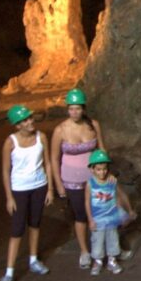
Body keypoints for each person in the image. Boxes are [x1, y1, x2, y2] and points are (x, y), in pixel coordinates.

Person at [0, 104, 53, 281]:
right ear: (17, 125)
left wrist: (50, 189)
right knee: (17, 229)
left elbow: (48, 163)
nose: (30, 122)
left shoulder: (41, 137)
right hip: (19, 188)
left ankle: (33, 259)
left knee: (35, 223)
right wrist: (9, 197)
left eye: (30, 118)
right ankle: (9, 273)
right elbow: (5, 171)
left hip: (38, 185)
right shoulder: (10, 142)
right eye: (25, 120)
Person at [50, 88, 105, 270]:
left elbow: (102, 150)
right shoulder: (61, 130)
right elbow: (54, 158)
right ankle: (84, 251)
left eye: (78, 108)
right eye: (71, 109)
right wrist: (58, 184)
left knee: (99, 212)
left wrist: (105, 172)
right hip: (72, 181)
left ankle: (102, 249)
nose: (74, 112)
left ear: (84, 108)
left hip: (94, 178)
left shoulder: (93, 125)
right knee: (81, 215)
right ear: (67, 109)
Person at [84, 149, 133, 276]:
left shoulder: (112, 181)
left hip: (111, 218)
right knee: (97, 241)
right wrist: (90, 219)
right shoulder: (90, 184)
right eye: (98, 169)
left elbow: (120, 195)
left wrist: (128, 210)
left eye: (104, 169)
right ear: (92, 169)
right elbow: (87, 202)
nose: (102, 172)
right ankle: (98, 262)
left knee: (113, 239)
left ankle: (112, 260)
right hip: (98, 219)